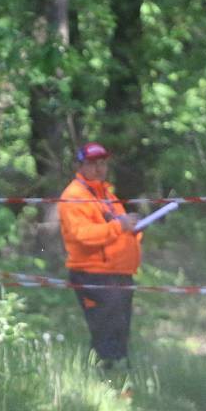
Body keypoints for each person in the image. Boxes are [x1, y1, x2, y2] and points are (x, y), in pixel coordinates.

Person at [58, 141, 141, 372]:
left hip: (119, 273)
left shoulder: (107, 194)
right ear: (80, 165)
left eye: (103, 163)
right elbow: (82, 235)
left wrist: (135, 229)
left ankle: (120, 380)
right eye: (93, 164)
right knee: (105, 330)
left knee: (120, 329)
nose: (99, 169)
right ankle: (105, 379)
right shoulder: (74, 196)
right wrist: (119, 227)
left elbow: (122, 227)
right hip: (93, 275)